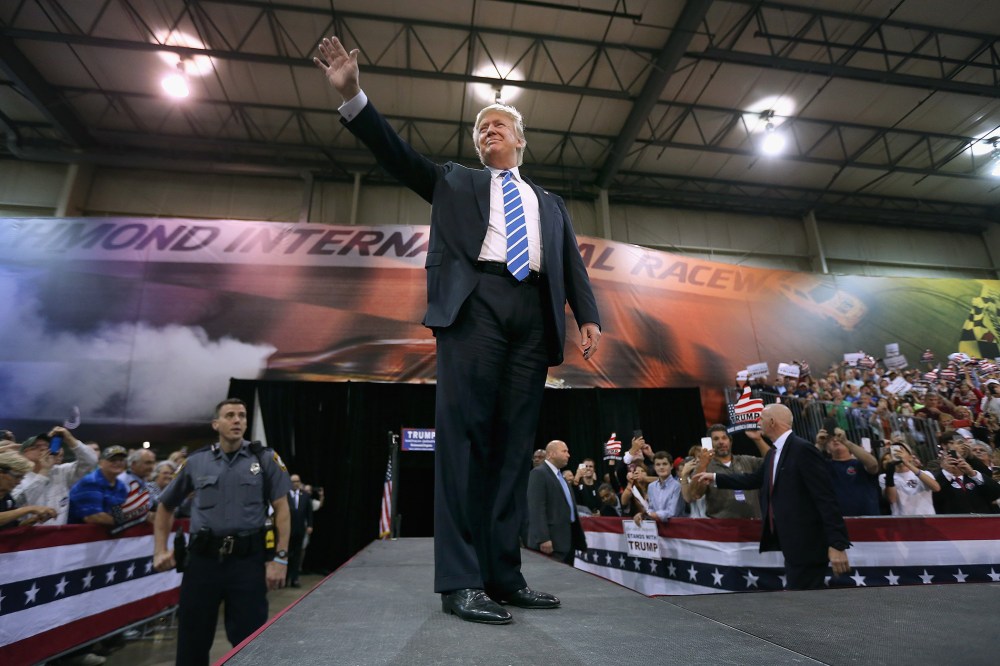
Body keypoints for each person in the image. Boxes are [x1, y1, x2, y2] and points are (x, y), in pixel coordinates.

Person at [314, 36, 602, 625]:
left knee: (511, 450)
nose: (487, 132)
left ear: (521, 139)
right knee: (465, 443)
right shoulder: (455, 182)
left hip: (533, 317)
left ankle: (503, 574)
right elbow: (397, 156)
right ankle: (461, 581)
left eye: (499, 125)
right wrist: (354, 97)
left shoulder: (551, 203)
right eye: (480, 129)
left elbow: (570, 262)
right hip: (476, 306)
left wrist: (588, 314)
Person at [152, 399, 292, 666]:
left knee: (251, 640)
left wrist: (280, 558)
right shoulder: (196, 462)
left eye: (241, 415)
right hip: (202, 563)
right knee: (193, 639)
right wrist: (159, 549)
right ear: (216, 424)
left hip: (247, 562)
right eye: (229, 415)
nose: (237, 420)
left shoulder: (265, 459)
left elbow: (282, 509)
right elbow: (165, 506)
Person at [693, 403, 852, 590]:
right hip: (791, 543)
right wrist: (714, 477)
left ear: (772, 422)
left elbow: (825, 498)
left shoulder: (802, 450)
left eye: (761, 418)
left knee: (805, 600)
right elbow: (753, 480)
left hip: (808, 543)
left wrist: (837, 543)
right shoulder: (774, 453)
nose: (758, 422)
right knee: (804, 598)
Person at [14, 428, 99, 525]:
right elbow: (18, 503)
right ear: (23, 454)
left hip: (58, 537)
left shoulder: (61, 471)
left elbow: (91, 461)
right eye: (36, 446)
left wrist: (70, 439)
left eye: (46, 446)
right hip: (29, 538)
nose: (43, 449)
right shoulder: (16, 476)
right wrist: (44, 471)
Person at [526, 440, 586, 568]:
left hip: (567, 540)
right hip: (551, 543)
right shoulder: (539, 473)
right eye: (564, 451)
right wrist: (543, 538)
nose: (568, 455)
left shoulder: (560, 477)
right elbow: (536, 508)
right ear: (551, 454)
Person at [686, 425, 767, 519]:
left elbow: (772, 461)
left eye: (724, 438)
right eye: (716, 439)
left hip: (753, 523)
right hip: (722, 528)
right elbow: (694, 494)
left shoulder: (747, 460)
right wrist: (702, 465)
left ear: (730, 441)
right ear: (709, 443)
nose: (721, 442)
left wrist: (758, 439)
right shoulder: (705, 466)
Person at [819, 427, 881, 516]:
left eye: (838, 438)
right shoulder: (826, 466)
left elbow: (873, 465)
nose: (836, 440)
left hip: (870, 519)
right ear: (827, 450)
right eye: (830, 440)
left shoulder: (860, 463)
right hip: (840, 522)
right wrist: (819, 445)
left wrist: (846, 441)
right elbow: (806, 467)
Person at [67, 446, 130, 525]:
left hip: (104, 533)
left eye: (121, 460)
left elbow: (117, 512)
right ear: (100, 463)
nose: (118, 463)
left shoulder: (120, 486)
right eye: (112, 460)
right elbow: (93, 517)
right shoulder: (91, 482)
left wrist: (123, 521)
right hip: (76, 534)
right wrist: (126, 523)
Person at [878, 439, 939, 516]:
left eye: (901, 450)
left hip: (926, 519)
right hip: (902, 521)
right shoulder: (885, 477)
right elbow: (892, 499)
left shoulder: (924, 474)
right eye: (893, 451)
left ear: (910, 457)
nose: (897, 453)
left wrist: (908, 464)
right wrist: (890, 471)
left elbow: (936, 488)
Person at [1, 450, 57, 529]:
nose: (19, 482)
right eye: (17, 477)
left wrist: (33, 520)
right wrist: (29, 509)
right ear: (1, 472)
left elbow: (12, 529)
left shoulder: (7, 498)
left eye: (21, 478)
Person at [634, 451, 683, 524]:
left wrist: (650, 515)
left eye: (665, 464)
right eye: (658, 464)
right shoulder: (651, 486)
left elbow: (672, 512)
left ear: (671, 466)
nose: (661, 467)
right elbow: (651, 509)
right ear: (654, 467)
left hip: (676, 529)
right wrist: (643, 514)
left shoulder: (677, 486)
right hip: (657, 529)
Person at [286, 473, 314, 588]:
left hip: (300, 530)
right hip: (287, 530)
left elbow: (309, 512)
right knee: (287, 554)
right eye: (293, 481)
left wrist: (310, 525)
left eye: (297, 481)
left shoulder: (305, 496)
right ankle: (285, 579)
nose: (295, 483)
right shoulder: (285, 495)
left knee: (297, 555)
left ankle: (295, 579)